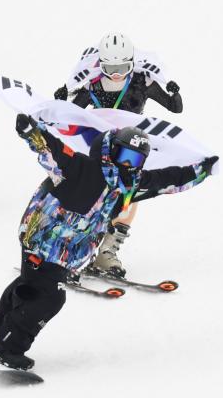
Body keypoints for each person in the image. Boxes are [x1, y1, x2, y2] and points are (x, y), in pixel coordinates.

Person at [0, 120, 217, 371]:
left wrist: (202, 170)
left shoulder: (129, 186)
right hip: (42, 239)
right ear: (112, 149)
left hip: (65, 252)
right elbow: (51, 149)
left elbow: (168, 180)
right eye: (125, 156)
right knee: (50, 297)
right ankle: (5, 347)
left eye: (136, 160)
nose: (128, 165)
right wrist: (31, 131)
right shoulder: (81, 167)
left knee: (31, 286)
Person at [54, 31, 183, 277]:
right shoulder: (92, 84)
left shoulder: (141, 82)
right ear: (99, 65)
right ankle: (69, 251)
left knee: (128, 194)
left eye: (123, 67)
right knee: (93, 195)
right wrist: (61, 100)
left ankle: (107, 253)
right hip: (98, 145)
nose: (116, 74)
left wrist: (173, 91)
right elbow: (68, 113)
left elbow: (175, 108)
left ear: (132, 64)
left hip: (130, 147)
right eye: (110, 68)